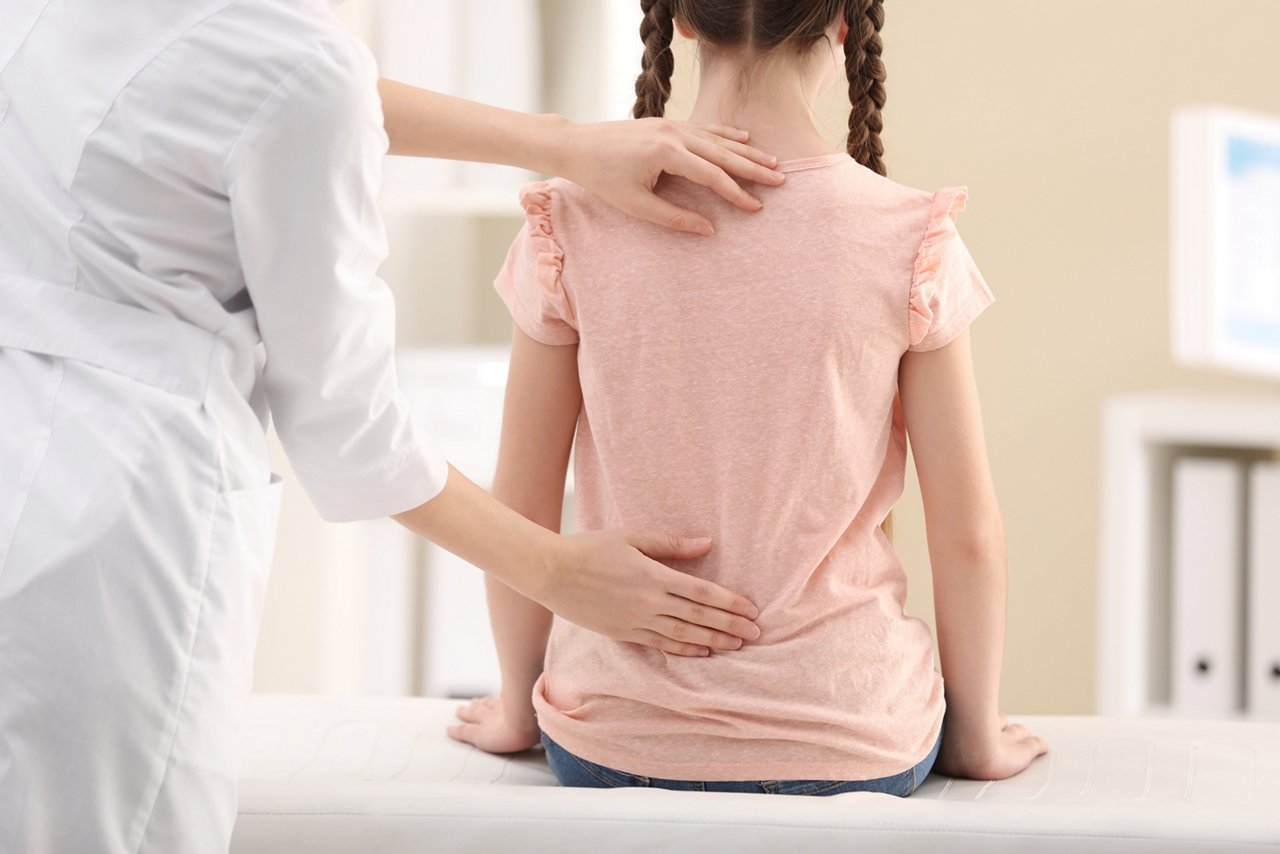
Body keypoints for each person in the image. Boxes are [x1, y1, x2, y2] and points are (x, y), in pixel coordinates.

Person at [0, 1, 786, 852]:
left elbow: (249, 86)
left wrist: (559, 142)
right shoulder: (299, 62)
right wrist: (554, 569)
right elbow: (350, 425)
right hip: (118, 539)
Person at [449, 0, 1050, 796]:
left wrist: (519, 710)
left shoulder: (571, 222)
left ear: (681, 22)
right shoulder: (911, 237)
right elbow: (967, 533)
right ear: (844, 23)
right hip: (856, 743)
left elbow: (522, 505)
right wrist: (976, 736)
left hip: (611, 741)